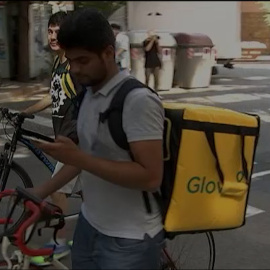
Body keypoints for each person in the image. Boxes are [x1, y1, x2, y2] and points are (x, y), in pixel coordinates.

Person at [30, 8, 165, 269]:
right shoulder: (90, 94)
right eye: (71, 61)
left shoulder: (137, 101)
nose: (76, 69)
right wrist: (40, 192)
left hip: (130, 240)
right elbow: (82, 156)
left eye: (83, 60)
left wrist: (80, 157)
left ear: (108, 52)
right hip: (89, 226)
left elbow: (150, 177)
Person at [23, 11, 81, 264]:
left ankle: (59, 244)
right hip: (66, 139)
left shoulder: (74, 65)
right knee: (92, 195)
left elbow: (87, 101)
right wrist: (23, 113)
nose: (53, 36)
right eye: (50, 31)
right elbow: (52, 96)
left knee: (57, 191)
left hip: (75, 141)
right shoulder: (59, 64)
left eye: (59, 31)